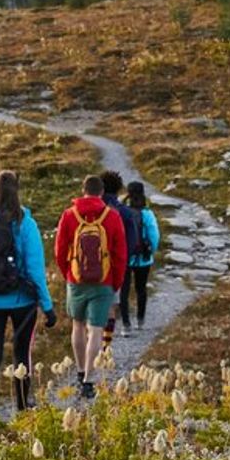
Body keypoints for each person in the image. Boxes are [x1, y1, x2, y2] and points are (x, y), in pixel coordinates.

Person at [0, 170, 54, 410]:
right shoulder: (26, 224)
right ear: (17, 192)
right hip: (22, 302)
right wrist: (47, 306)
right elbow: (35, 270)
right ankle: (23, 407)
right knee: (21, 354)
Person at [54, 174, 126, 400]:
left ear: (82, 190)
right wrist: (115, 282)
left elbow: (59, 250)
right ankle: (88, 381)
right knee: (96, 330)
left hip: (76, 280)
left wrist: (68, 273)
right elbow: (120, 254)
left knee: (77, 326)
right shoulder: (112, 216)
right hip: (104, 281)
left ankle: (79, 370)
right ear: (101, 192)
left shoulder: (69, 215)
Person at [98, 171, 141, 342]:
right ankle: (118, 331)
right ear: (118, 189)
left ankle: (92, 336)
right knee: (119, 296)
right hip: (117, 263)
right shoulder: (125, 212)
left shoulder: (92, 210)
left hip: (89, 263)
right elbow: (132, 242)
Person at [122, 180, 161, 329]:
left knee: (124, 291)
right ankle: (140, 320)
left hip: (125, 257)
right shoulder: (148, 214)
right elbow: (154, 236)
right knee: (141, 289)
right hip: (143, 258)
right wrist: (151, 251)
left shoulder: (123, 212)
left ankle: (125, 324)